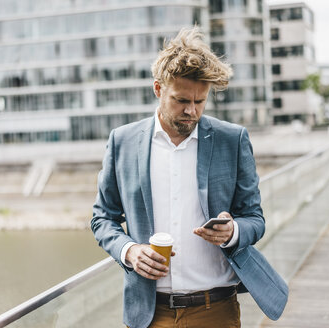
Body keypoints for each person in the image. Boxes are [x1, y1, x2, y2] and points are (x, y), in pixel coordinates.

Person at [91, 26, 288, 328]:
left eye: (200, 101)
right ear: (158, 89)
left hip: (215, 310)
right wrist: (129, 251)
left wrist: (233, 231)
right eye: (181, 100)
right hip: (148, 313)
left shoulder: (232, 140)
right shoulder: (123, 142)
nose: (192, 111)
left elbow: (255, 219)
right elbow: (102, 218)